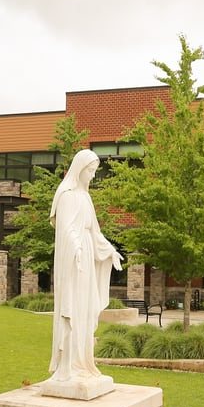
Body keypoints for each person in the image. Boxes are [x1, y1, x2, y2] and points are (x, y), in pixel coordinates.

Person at [48, 149, 123, 384]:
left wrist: (110, 251)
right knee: (75, 308)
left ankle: (83, 363)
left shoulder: (86, 197)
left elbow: (95, 231)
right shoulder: (68, 195)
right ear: (79, 169)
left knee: (86, 308)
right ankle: (70, 365)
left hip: (87, 255)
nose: (92, 176)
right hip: (75, 260)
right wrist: (77, 249)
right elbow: (67, 229)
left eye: (94, 171)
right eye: (90, 171)